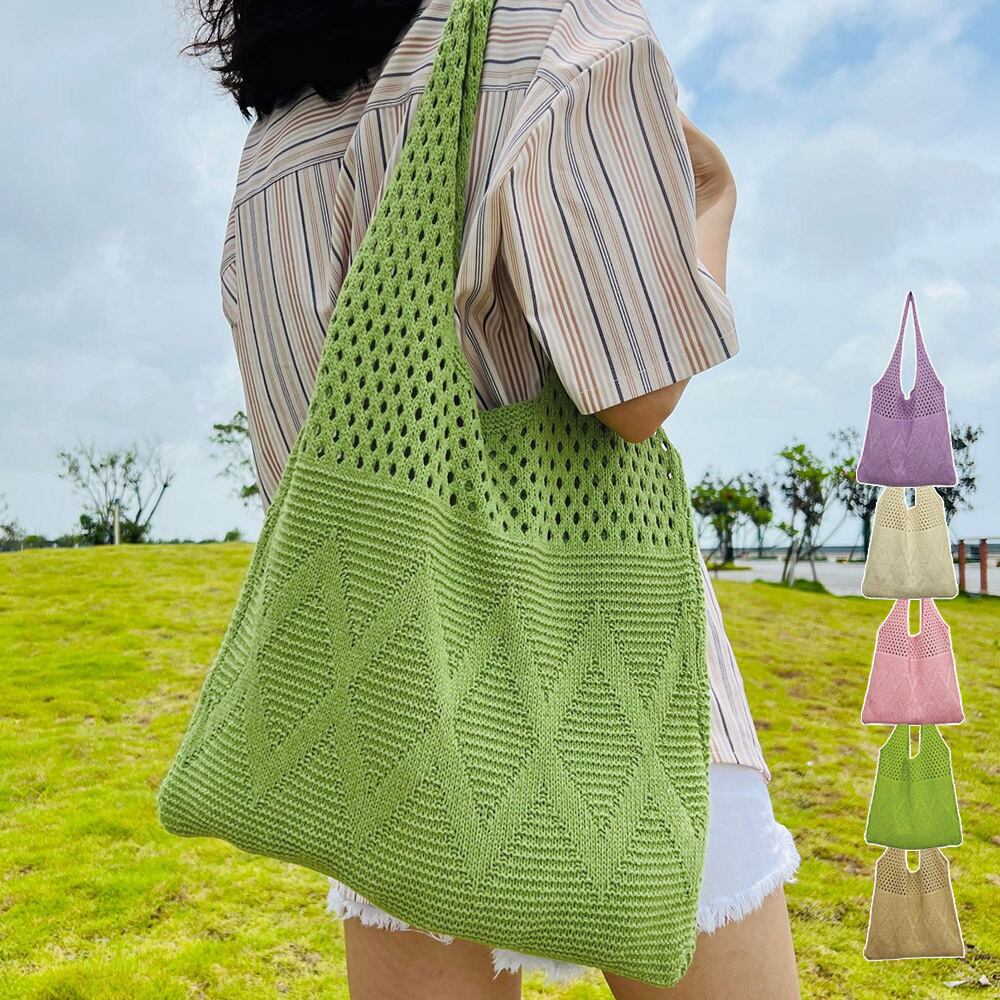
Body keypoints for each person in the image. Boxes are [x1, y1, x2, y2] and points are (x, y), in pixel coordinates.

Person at [187, 0, 802, 996]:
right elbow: (637, 394)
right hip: (607, 676)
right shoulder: (554, 33)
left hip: (387, 696)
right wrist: (713, 199)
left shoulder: (274, 142)